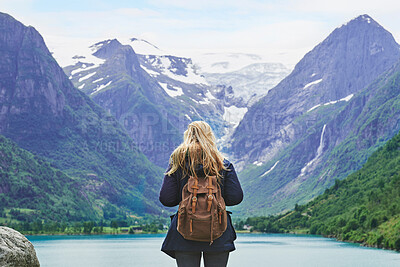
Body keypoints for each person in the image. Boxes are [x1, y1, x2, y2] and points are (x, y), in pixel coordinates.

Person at [159, 121, 243, 267]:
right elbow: (235, 197)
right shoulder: (223, 164)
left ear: (188, 136)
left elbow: (167, 199)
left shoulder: (177, 163)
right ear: (210, 137)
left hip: (184, 230)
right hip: (218, 231)